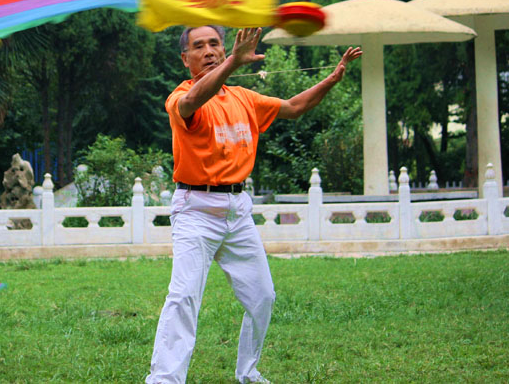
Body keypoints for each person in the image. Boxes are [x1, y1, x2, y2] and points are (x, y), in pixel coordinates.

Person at [146, 25, 362, 384]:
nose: (209, 50)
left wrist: (332, 79)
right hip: (196, 209)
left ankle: (248, 372)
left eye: (215, 43)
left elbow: (294, 107)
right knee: (183, 297)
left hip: (237, 210)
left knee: (262, 296)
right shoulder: (181, 97)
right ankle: (164, 380)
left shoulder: (244, 99)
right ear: (186, 60)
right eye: (199, 47)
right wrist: (232, 61)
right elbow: (192, 102)